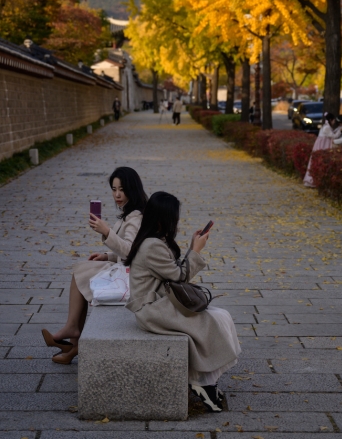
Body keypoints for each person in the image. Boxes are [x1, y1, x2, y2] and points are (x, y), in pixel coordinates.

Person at [124, 192, 241, 412]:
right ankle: (203, 383)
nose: (176, 222)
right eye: (174, 217)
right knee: (214, 320)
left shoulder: (154, 240)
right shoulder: (152, 246)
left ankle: (207, 382)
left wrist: (190, 248)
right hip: (152, 309)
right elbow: (180, 276)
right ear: (163, 218)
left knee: (220, 316)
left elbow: (175, 273)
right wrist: (196, 251)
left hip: (161, 303)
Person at [41, 167, 148, 364]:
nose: (117, 194)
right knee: (82, 269)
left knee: (81, 271)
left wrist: (107, 232)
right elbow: (129, 249)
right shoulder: (130, 213)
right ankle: (74, 343)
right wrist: (106, 255)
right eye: (114, 189)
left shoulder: (136, 217)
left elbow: (132, 251)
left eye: (121, 189)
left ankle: (73, 332)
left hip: (133, 276)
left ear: (132, 189)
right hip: (126, 269)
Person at [303, 112, 340, 188]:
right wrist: (340, 130)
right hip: (323, 145)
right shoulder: (326, 128)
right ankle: (312, 180)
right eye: (333, 121)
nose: (334, 122)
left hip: (323, 143)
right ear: (331, 120)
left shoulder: (326, 127)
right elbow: (334, 136)